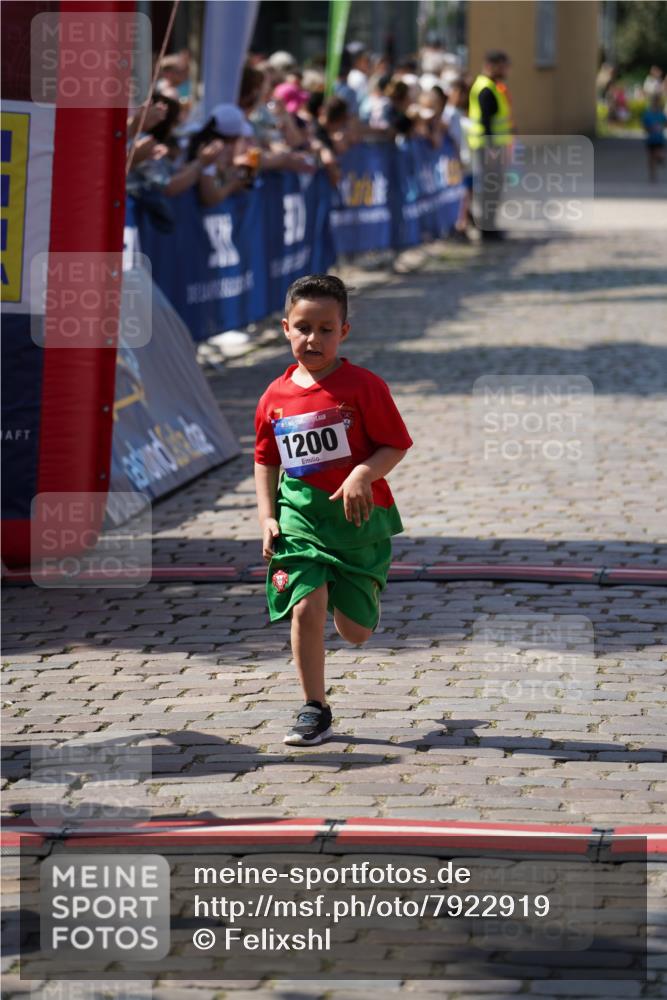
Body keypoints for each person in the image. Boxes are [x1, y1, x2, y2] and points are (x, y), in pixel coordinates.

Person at [254, 275, 412, 746]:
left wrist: (362, 473)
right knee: (307, 605)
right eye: (303, 327)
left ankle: (361, 593)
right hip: (300, 519)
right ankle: (313, 707)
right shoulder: (274, 397)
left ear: (344, 331)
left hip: (358, 525)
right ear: (285, 328)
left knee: (356, 632)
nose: (313, 339)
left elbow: (395, 445)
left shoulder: (365, 386)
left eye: (326, 329)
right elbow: (265, 459)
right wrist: (267, 515)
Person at [468, 50, 513, 239]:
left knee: (492, 187)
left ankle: (490, 225)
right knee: (489, 188)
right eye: (502, 66)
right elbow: (486, 123)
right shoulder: (486, 89)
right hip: (487, 147)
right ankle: (486, 228)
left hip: (492, 146)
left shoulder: (494, 87)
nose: (506, 70)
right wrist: (492, 150)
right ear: (491, 66)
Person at [642, 93, 666, 182]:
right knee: (650, 158)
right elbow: (645, 126)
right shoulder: (648, 114)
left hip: (659, 138)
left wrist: (661, 127)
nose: (656, 103)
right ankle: (652, 176)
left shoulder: (661, 114)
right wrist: (649, 128)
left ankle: (661, 159)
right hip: (651, 138)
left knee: (657, 154)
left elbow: (665, 123)